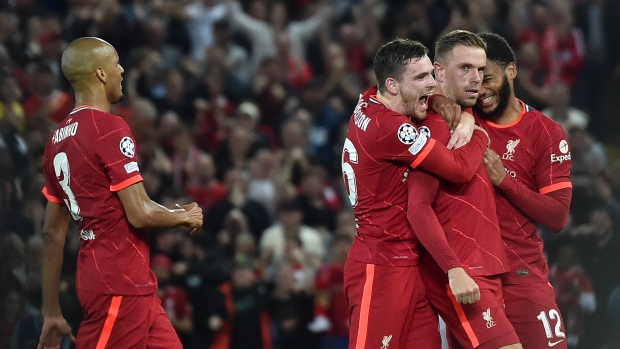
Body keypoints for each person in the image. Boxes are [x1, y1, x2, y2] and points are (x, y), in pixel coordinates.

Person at [38, 37, 203, 349]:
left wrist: (50, 311)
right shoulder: (109, 127)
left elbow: (51, 233)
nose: (122, 70)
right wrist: (184, 215)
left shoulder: (55, 140)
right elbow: (140, 213)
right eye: (116, 64)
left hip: (130, 283)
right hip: (117, 283)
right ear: (101, 73)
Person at [341, 38, 492, 349]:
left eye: (431, 74)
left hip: (407, 265)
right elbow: (460, 169)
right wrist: (476, 131)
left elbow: (429, 100)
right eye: (421, 78)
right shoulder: (393, 129)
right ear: (394, 85)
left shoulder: (370, 100)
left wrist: (438, 103)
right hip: (380, 267)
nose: (433, 83)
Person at [408, 30, 521, 349]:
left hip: (485, 268)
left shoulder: (461, 119)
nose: (476, 79)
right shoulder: (432, 127)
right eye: (465, 69)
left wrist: (469, 119)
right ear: (439, 71)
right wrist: (453, 269)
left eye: (480, 69)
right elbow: (418, 206)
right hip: (464, 269)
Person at [475, 32, 573, 349]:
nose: (481, 90)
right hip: (474, 279)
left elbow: (557, 216)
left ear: (511, 71)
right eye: (474, 81)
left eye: (488, 77)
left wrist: (504, 180)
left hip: (523, 276)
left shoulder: (545, 132)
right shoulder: (462, 120)